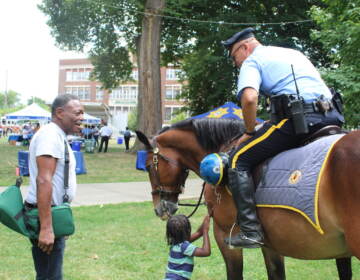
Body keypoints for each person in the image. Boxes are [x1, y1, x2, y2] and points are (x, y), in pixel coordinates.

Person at [200, 27, 344, 249]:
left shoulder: (252, 61)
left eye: (234, 57)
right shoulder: (293, 53)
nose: (236, 63)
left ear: (244, 47)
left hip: (299, 122)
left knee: (238, 161)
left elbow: (249, 99)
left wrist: (249, 131)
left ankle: (250, 231)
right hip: (332, 116)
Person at [25, 94, 84, 279]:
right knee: (50, 276)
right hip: (46, 216)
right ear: (60, 112)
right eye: (78, 112)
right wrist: (47, 228)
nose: (82, 117)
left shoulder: (56, 135)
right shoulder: (50, 135)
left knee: (50, 273)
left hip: (53, 214)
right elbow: (44, 180)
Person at [164, 214, 211, 280]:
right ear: (188, 230)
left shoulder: (175, 242)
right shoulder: (184, 247)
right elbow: (206, 252)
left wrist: (206, 220)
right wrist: (206, 231)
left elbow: (199, 232)